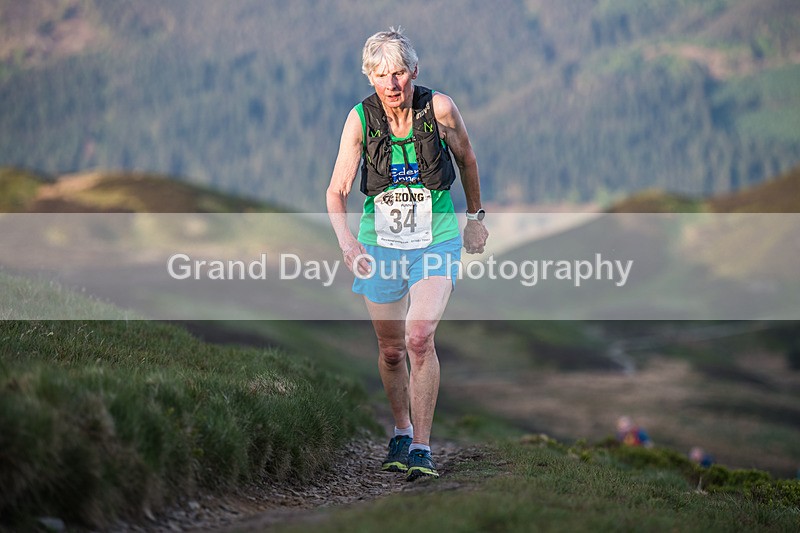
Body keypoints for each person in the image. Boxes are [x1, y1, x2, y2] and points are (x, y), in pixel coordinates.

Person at [326, 27, 488, 481]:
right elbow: (336, 192)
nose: (392, 84)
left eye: (399, 73)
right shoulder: (360, 119)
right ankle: (400, 429)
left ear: (414, 71)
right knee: (392, 349)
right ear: (369, 77)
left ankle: (421, 446)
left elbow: (468, 159)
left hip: (435, 239)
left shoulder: (439, 109)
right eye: (381, 75)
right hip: (379, 245)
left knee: (419, 337)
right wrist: (347, 241)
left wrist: (476, 218)